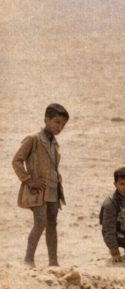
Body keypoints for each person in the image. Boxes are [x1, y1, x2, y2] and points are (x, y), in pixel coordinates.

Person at [12, 103, 69, 268]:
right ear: (46, 119)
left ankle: (53, 263)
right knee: (40, 222)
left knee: (52, 224)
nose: (60, 127)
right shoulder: (33, 139)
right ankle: (28, 260)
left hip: (53, 190)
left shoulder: (54, 143)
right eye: (57, 122)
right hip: (37, 191)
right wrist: (30, 181)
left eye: (63, 124)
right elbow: (16, 161)